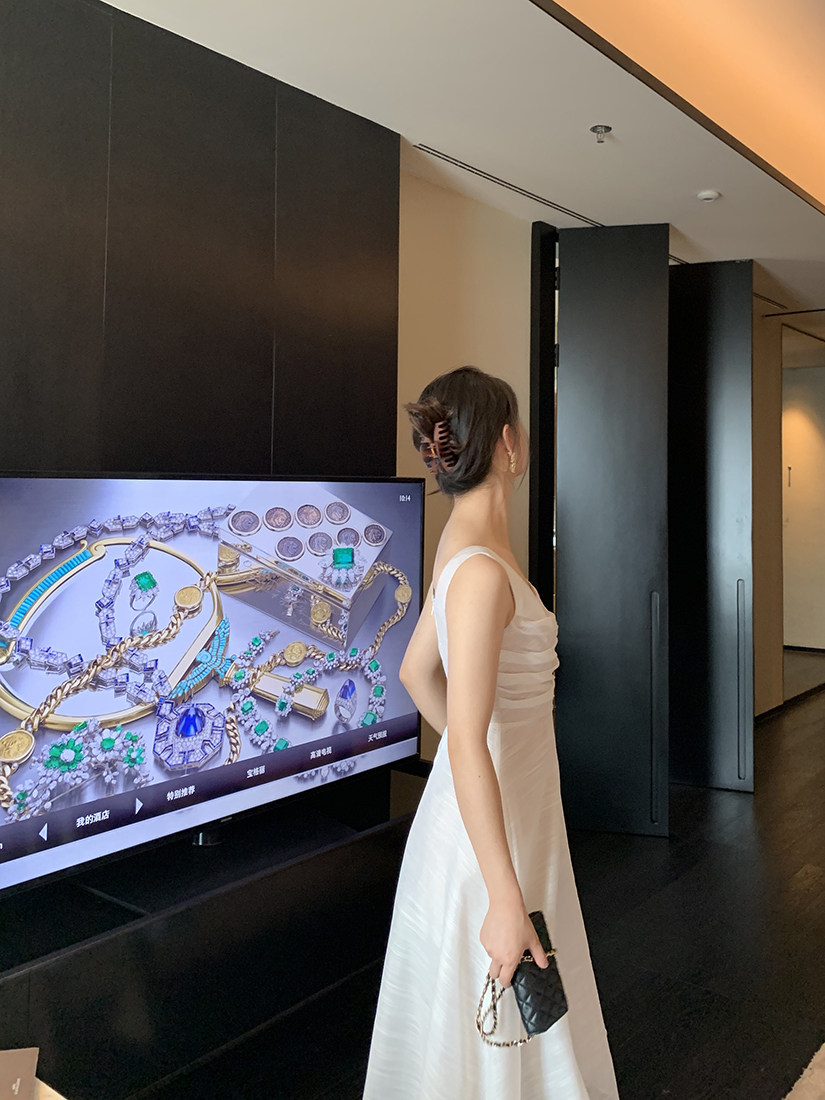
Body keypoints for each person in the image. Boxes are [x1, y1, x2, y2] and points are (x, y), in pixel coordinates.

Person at [363, 366, 619, 1099]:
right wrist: (503, 897)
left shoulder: (464, 545)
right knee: (501, 1005)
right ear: (508, 443)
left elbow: (415, 673)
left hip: (506, 805)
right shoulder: (478, 569)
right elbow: (468, 735)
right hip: (488, 836)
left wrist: (473, 762)